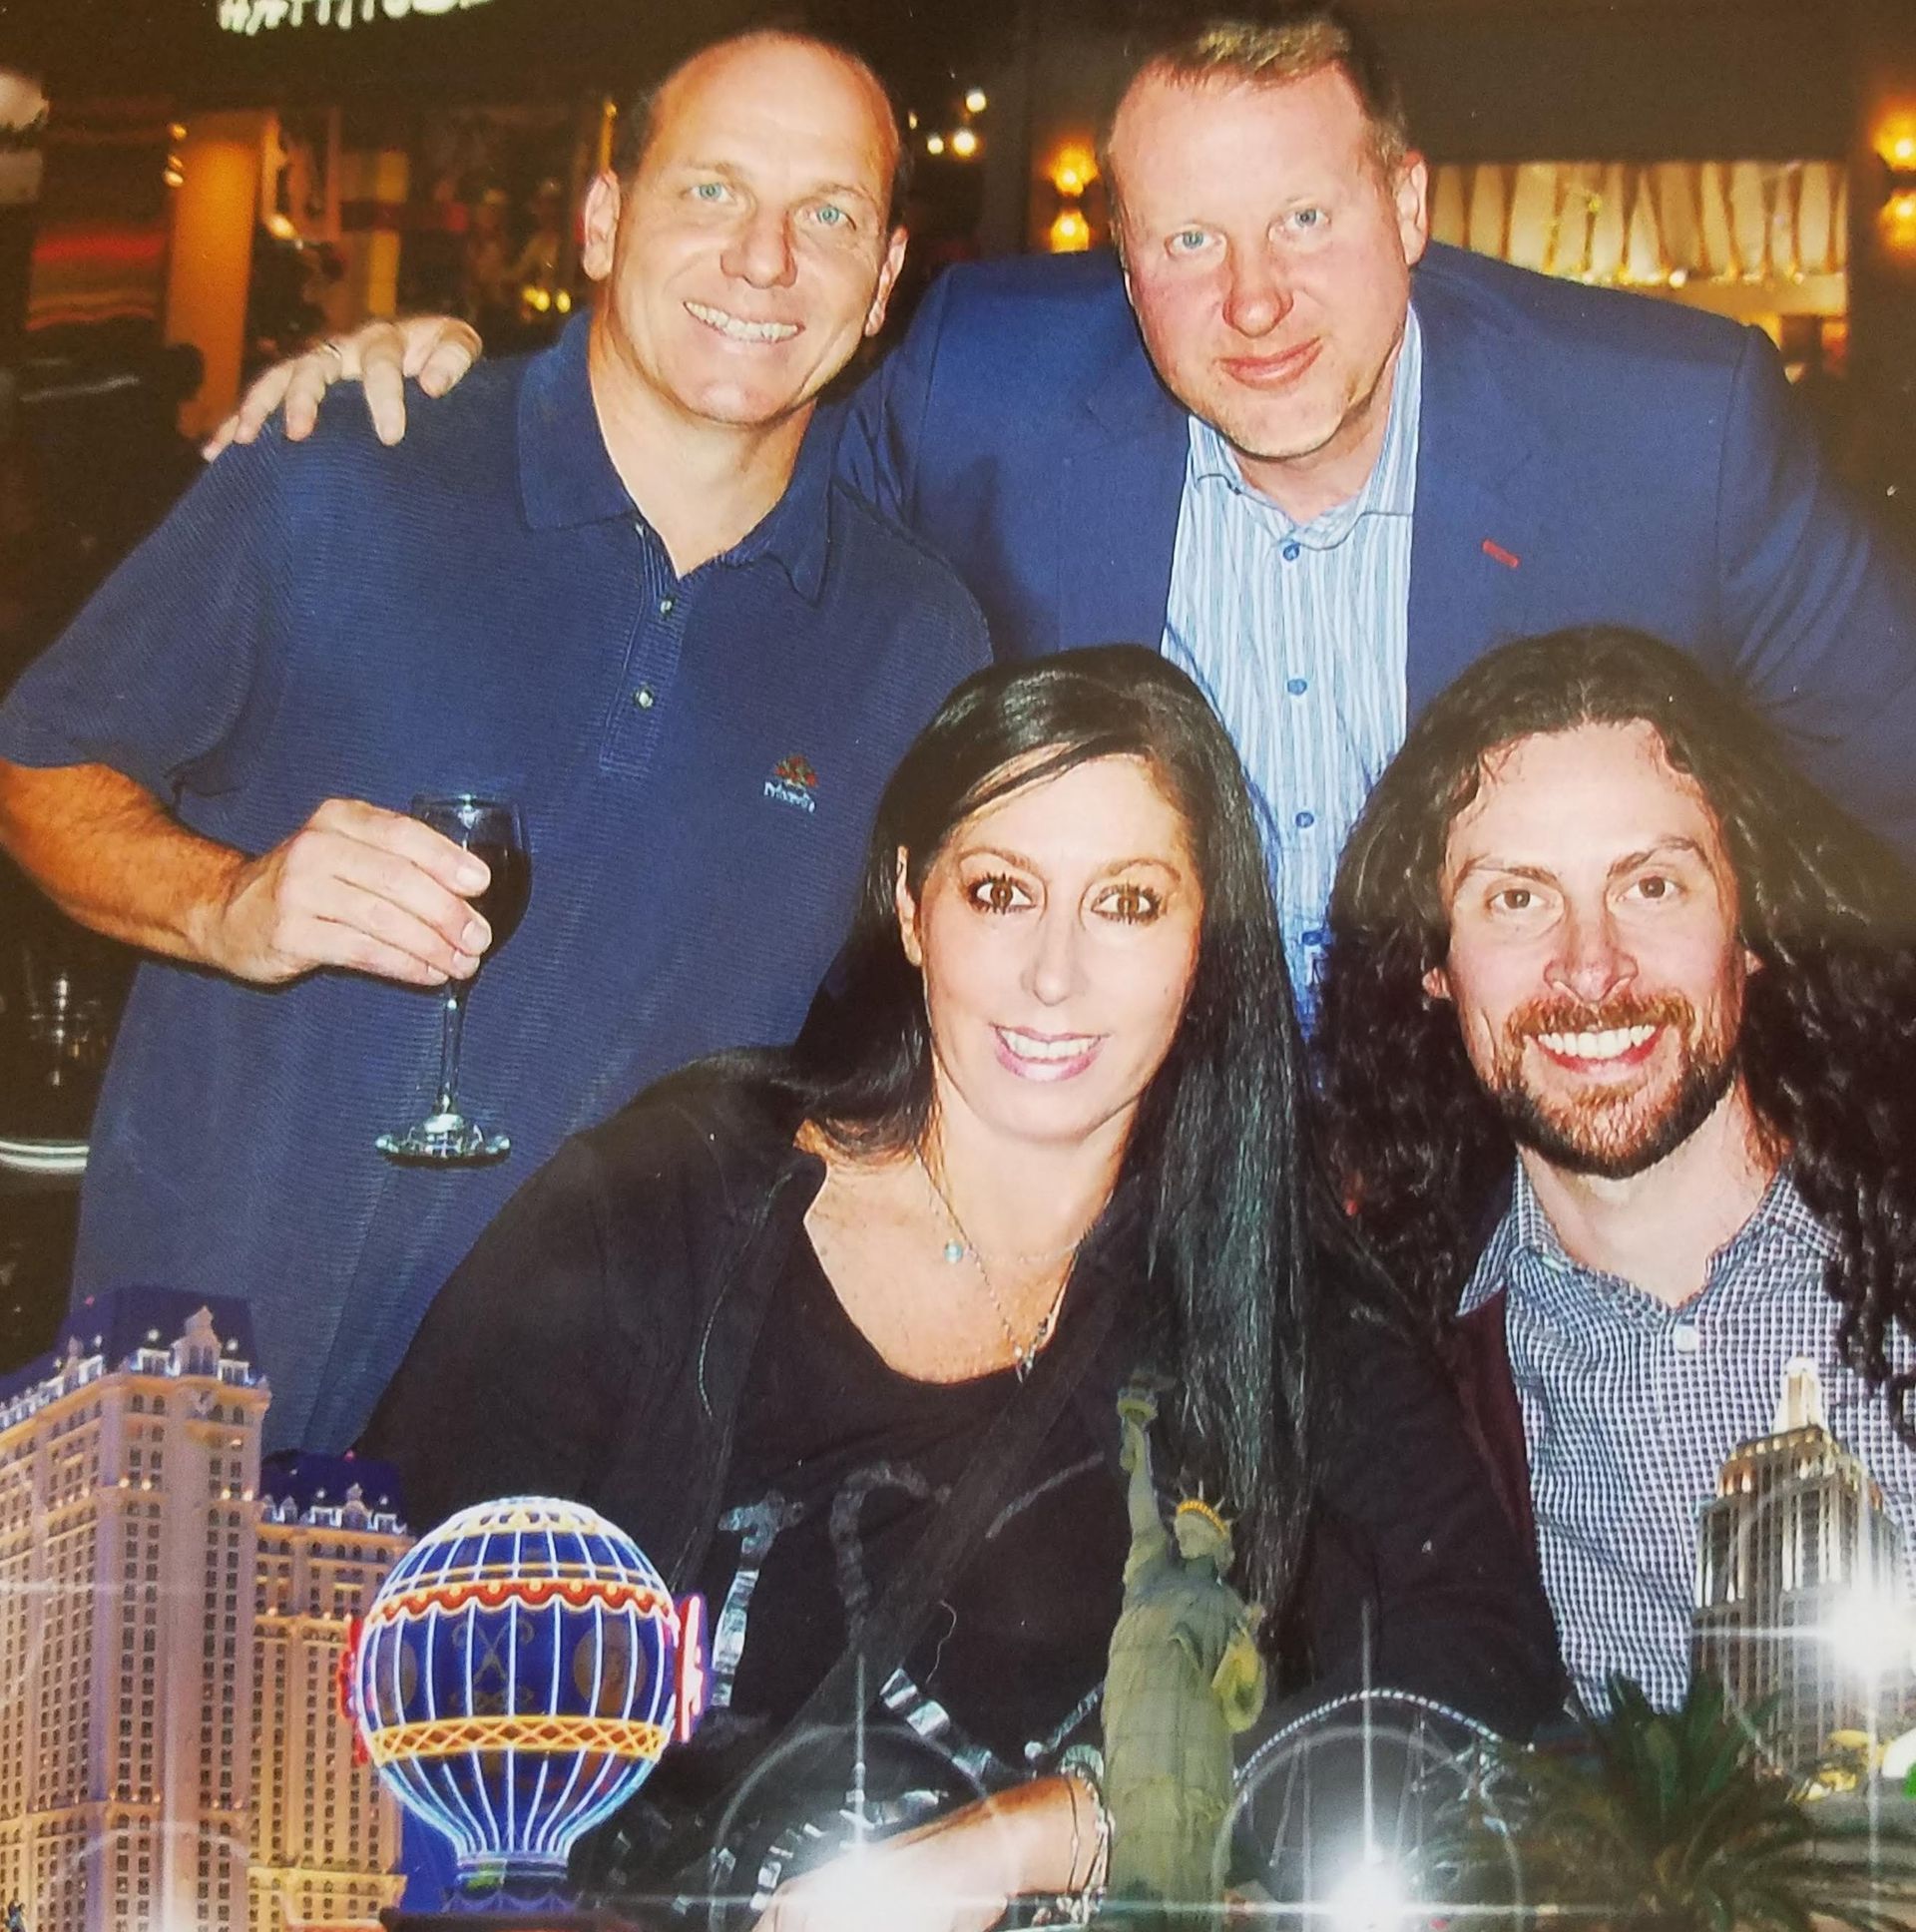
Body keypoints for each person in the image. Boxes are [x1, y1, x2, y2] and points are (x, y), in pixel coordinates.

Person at [234, 4, 1916, 1001]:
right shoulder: (992, 381)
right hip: (1115, 1130)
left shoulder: (1666, 428)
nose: (1252, 302)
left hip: (1520, 1157)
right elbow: (712, 467)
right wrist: (482, 373)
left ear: (1406, 201)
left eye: (1307, 224)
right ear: (1120, 254)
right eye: (1187, 242)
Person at [362, 648, 1562, 1931]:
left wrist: (1059, 1833)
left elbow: (1486, 1662)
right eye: (1001, 890)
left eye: (1130, 903)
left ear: (1208, 938)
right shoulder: (674, 1193)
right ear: (910, 903)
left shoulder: (1264, 1285)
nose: (1055, 974)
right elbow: (388, 1602)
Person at [0, 29, 989, 1454]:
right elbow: (39, 764)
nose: (766, 259)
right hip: (193, 1412)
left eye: (827, 215)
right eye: (711, 192)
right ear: (602, 221)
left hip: (569, 1493)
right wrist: (225, 903)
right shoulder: (342, 472)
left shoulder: (917, 641)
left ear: (885, 277)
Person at [1312, 625, 1916, 1713]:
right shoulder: (1405, 1370)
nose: (1591, 968)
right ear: (1432, 965)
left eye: (1652, 885)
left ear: (1755, 924)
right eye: (1517, 899)